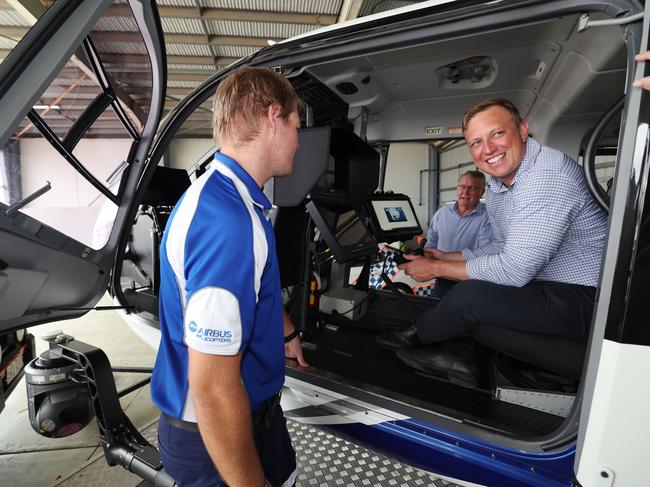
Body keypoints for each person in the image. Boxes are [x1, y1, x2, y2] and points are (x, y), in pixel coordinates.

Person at [150, 66, 309, 487]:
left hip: (255, 415)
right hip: (214, 435)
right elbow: (214, 388)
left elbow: (258, 289)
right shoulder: (227, 222)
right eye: (296, 125)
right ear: (273, 116)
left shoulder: (232, 198)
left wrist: (286, 333)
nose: (298, 140)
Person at [376, 98, 608, 381]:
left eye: (497, 133)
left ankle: (419, 336)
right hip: (551, 284)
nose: (488, 150)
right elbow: (501, 246)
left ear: (522, 131)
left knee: (470, 294)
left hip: (589, 297)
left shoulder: (545, 177)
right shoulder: (502, 184)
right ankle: (461, 352)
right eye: (475, 142)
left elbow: (514, 269)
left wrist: (436, 270)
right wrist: (446, 258)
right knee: (467, 279)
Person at [423, 170, 491, 297]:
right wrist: (427, 258)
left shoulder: (488, 218)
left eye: (473, 188)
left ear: (482, 192)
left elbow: (485, 252)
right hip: (442, 277)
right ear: (457, 188)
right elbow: (431, 239)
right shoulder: (442, 212)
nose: (465, 192)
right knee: (436, 309)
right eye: (463, 187)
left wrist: (445, 257)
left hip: (469, 279)